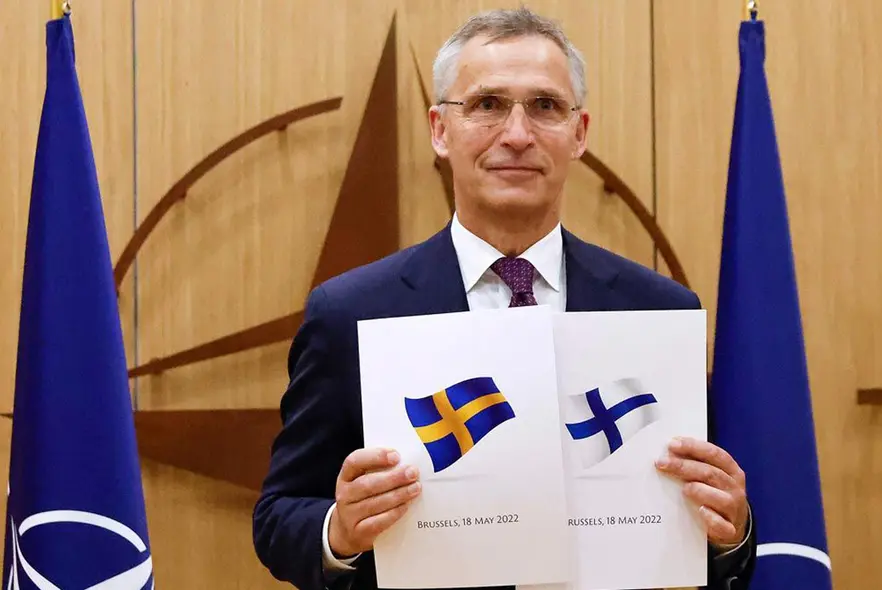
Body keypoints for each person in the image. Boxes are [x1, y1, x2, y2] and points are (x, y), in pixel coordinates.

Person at [253, 7, 755, 590]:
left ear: (580, 133)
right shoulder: (350, 313)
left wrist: (732, 531)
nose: (516, 135)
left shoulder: (661, 313)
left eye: (544, 106)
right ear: (440, 130)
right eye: (487, 105)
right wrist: (339, 530)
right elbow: (278, 518)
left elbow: (713, 539)